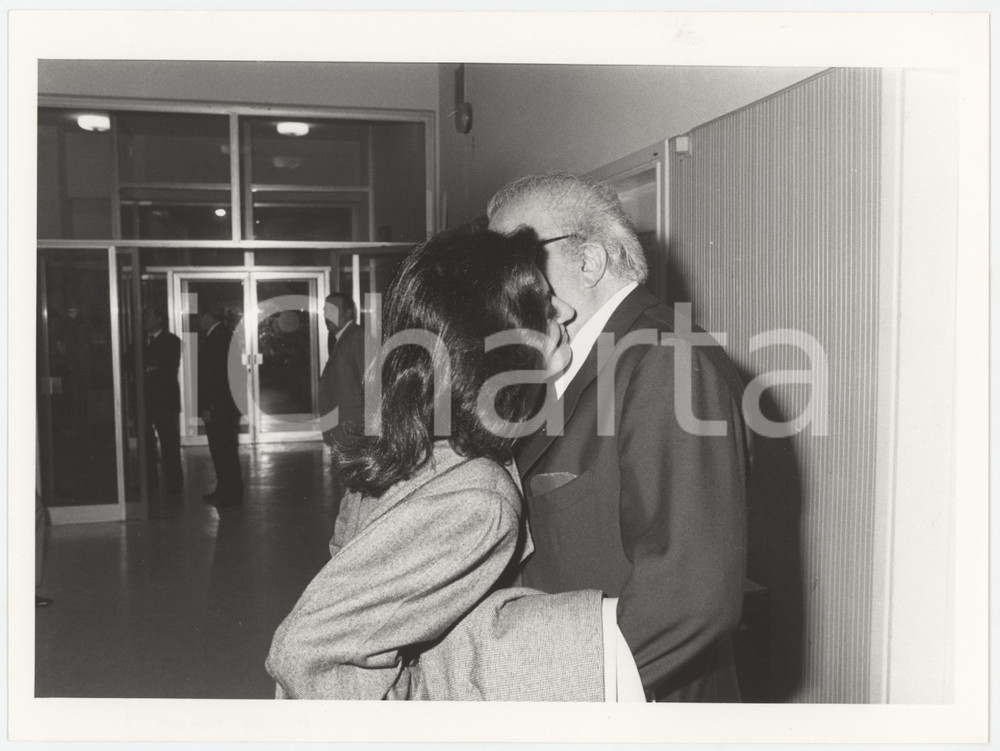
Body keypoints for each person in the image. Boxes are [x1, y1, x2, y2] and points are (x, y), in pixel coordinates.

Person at [266, 226, 644, 701]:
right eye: (545, 307)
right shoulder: (478, 497)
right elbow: (308, 654)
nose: (566, 311)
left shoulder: (418, 445)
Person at [487, 173, 751, 702]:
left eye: (513, 262)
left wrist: (547, 691)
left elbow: (691, 595)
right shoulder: (572, 357)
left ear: (588, 261)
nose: (497, 284)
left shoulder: (664, 360)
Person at [198, 301, 243, 507]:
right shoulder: (222, 336)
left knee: (222, 450)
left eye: (200, 316)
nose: (198, 321)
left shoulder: (218, 338)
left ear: (208, 316)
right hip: (224, 406)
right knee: (224, 450)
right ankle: (226, 489)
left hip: (219, 407)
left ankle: (229, 491)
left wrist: (209, 407)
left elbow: (215, 378)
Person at [141, 305, 183, 494]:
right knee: (146, 444)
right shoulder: (140, 341)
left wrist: (148, 367)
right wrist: (148, 368)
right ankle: (150, 482)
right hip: (145, 401)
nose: (144, 320)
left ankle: (174, 483)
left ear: (159, 319)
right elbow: (128, 362)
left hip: (165, 401)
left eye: (148, 315)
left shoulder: (172, 340)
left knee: (169, 443)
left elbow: (166, 366)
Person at [318, 292, 365, 448]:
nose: (327, 316)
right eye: (326, 311)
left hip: (352, 430)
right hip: (342, 429)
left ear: (348, 313)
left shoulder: (357, 337)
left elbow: (369, 384)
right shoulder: (339, 338)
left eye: (333, 310)